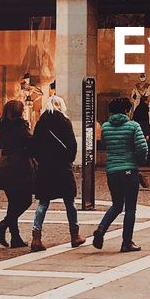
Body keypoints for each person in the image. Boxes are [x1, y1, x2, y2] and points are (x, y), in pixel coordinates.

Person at [91, 98, 148, 252]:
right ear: (127, 110)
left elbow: (104, 144)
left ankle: (102, 228)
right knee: (130, 208)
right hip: (129, 170)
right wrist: (139, 161)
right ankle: (126, 242)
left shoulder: (106, 127)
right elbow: (142, 148)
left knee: (116, 205)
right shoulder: (133, 126)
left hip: (112, 171)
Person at [30, 95, 84, 252]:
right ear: (61, 106)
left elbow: (34, 146)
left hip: (46, 168)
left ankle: (36, 237)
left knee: (43, 203)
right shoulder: (65, 122)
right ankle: (75, 235)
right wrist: (68, 159)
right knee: (70, 202)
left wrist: (42, 159)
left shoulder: (41, 123)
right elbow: (72, 145)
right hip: (62, 167)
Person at [0, 99, 33, 248]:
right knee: (25, 200)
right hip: (19, 166)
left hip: (5, 165)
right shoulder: (20, 126)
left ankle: (15, 238)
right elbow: (30, 143)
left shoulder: (2, 126)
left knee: (13, 203)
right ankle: (2, 226)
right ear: (18, 112)